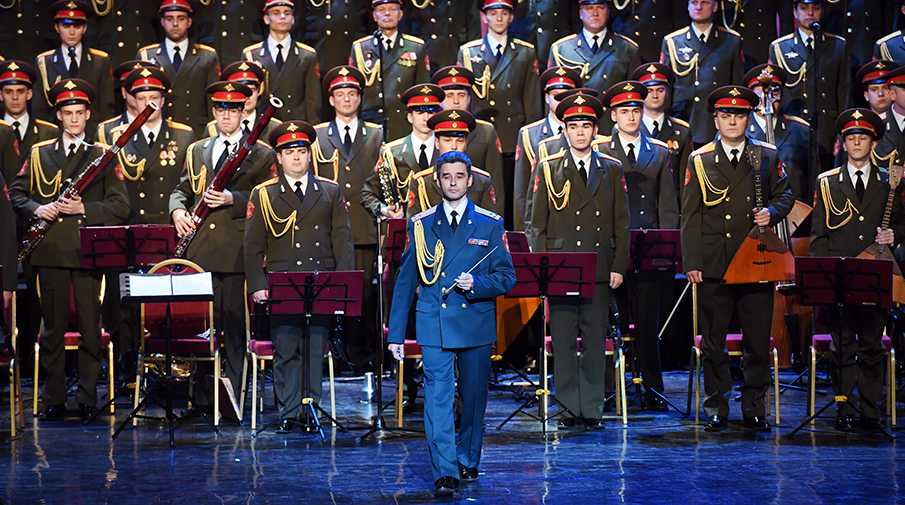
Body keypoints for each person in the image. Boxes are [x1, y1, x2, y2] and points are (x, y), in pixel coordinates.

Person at [387, 150, 515, 497]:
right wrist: (396, 334)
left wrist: (477, 285)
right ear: (437, 181)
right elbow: (405, 282)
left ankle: (467, 458)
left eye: (460, 176)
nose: (454, 182)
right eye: (447, 176)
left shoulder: (490, 223)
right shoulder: (421, 224)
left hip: (475, 321)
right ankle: (444, 471)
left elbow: (507, 277)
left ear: (470, 180)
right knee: (437, 399)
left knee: (473, 398)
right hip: (434, 322)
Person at [9, 78, 129, 420]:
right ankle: (55, 397)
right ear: (59, 116)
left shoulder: (103, 155)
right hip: (50, 253)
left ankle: (88, 396)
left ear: (88, 114)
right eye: (68, 113)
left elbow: (121, 206)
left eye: (79, 112)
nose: (74, 119)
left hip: (88, 252)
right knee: (52, 330)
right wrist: (38, 208)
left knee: (91, 330)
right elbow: (16, 193)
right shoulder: (39, 153)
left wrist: (84, 208)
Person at [680, 85, 794, 432]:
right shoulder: (700, 159)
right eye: (726, 115)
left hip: (756, 261)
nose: (732, 121)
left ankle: (754, 406)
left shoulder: (766, 155)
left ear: (748, 119)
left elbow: (786, 194)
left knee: (757, 341)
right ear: (715, 119)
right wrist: (692, 262)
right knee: (713, 342)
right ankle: (716, 406)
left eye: (740, 115)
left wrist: (772, 212)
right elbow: (690, 216)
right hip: (715, 262)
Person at [169, 81, 274, 415]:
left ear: (243, 113)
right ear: (214, 112)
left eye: (233, 109)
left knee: (235, 327)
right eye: (220, 109)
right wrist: (177, 211)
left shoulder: (261, 152)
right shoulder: (197, 149)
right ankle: (201, 399)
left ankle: (234, 399)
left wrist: (233, 199)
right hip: (200, 251)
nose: (226, 115)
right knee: (203, 328)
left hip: (236, 252)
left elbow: (268, 197)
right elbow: (182, 189)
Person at [245, 120, 354, 433]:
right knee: (286, 349)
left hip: (321, 283)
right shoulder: (263, 194)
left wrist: (343, 285)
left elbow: (342, 241)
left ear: (309, 154)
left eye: (302, 151)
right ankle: (289, 412)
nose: (296, 157)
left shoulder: (330, 190)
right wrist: (258, 285)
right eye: (289, 152)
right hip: (283, 283)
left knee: (314, 349)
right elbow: (252, 245)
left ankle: (311, 410)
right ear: (279, 157)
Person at [529, 92, 630, 428]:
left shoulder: (612, 168)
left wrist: (618, 265)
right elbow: (536, 225)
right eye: (573, 126)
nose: (580, 132)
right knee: (562, 342)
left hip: (599, 266)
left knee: (594, 342)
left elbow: (621, 222)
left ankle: (592, 408)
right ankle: (569, 408)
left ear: (595, 129)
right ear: (565, 130)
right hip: (561, 267)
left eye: (586, 126)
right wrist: (542, 270)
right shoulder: (548, 167)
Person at [809, 108, 904, 433]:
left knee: (872, 345)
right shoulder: (827, 182)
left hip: (875, 275)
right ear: (843, 144)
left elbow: (901, 223)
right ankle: (844, 407)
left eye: (863, 138)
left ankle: (869, 410)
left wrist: (894, 236)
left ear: (873, 143)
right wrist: (822, 277)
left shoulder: (889, 181)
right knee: (842, 347)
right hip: (840, 277)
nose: (857, 143)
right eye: (852, 138)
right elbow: (819, 236)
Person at [600, 80, 678, 411]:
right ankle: (608, 389)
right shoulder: (600, 150)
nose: (631, 117)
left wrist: (666, 251)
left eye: (636, 110)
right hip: (612, 250)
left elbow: (668, 206)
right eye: (624, 111)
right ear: (613, 115)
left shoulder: (659, 151)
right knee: (611, 325)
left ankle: (653, 388)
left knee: (647, 325)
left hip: (648, 250)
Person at [312, 65, 383, 370]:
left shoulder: (376, 134)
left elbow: (382, 181)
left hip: (365, 227)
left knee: (364, 294)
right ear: (331, 100)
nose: (346, 99)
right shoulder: (317, 135)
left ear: (359, 98)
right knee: (332, 292)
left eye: (352, 94)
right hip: (330, 228)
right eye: (340, 94)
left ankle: (362, 355)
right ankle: (334, 356)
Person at [457, 0, 543, 211]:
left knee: (511, 198)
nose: (498, 18)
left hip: (511, 137)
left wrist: (530, 140)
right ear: (484, 17)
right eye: (493, 13)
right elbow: (463, 99)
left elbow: (531, 101)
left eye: (504, 13)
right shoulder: (468, 52)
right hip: (480, 136)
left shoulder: (525, 52)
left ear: (511, 17)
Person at [768, 0, 851, 195]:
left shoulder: (837, 45)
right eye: (804, 8)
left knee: (827, 187)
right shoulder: (780, 47)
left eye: (815, 8)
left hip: (826, 128)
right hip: (793, 129)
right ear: (795, 12)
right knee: (795, 186)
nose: (810, 13)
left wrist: (842, 132)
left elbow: (844, 91)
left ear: (822, 11)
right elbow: (774, 93)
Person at [661, 0, 743, 146]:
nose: (698, 7)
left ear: (715, 6)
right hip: (682, 120)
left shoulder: (731, 40)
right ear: (688, 6)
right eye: (694, 2)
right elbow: (665, 89)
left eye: (704, 2)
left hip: (714, 123)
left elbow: (736, 86)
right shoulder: (673, 41)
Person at [360, 82, 445, 221]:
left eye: (430, 112)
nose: (426, 118)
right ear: (410, 117)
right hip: (406, 229)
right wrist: (385, 210)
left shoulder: (447, 149)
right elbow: (367, 194)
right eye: (420, 112)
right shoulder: (391, 153)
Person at [349, 0, 430, 140]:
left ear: (400, 14)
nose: (387, 13)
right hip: (370, 126)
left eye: (392, 9)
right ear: (374, 15)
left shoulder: (415, 47)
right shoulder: (360, 48)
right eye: (381, 10)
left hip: (402, 125)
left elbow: (422, 91)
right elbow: (354, 93)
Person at [137, 0, 220, 136]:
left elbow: (212, 101)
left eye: (181, 18)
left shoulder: (207, 56)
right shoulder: (147, 55)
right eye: (169, 19)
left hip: (196, 132)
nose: (175, 24)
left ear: (189, 22)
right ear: (162, 22)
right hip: (159, 132)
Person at [514, 66, 581, 232]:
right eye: (556, 95)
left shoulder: (583, 133)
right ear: (546, 97)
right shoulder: (529, 134)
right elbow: (522, 189)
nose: (561, 101)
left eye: (566, 96)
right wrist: (525, 232)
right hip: (543, 220)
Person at [431, 66, 506, 215]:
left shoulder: (486, 131)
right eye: (449, 95)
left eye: (461, 95)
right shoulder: (430, 129)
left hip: (476, 207)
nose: (456, 101)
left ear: (469, 98)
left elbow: (496, 181)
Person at [34, 1, 115, 136]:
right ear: (57, 27)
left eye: (77, 26)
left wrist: (102, 137)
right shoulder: (44, 62)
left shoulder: (100, 61)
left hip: (92, 136)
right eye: (66, 26)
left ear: (84, 28)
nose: (72, 32)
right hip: (57, 137)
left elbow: (106, 108)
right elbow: (39, 109)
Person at [242, 0, 322, 124]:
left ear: (293, 19)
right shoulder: (251, 55)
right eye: (276, 13)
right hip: (264, 126)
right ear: (266, 19)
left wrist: (313, 130)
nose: (283, 17)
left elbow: (313, 102)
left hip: (295, 127)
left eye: (287, 13)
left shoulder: (307, 56)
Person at [406, 109, 498, 218]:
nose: (454, 147)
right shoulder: (421, 183)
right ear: (437, 143)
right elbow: (414, 225)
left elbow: (491, 223)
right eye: (447, 140)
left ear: (466, 143)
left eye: (459, 141)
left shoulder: (482, 180)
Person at [742, 64, 812, 203]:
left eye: (774, 94)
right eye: (760, 95)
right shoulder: (741, 129)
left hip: (796, 207)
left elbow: (811, 174)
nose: (767, 100)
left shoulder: (801, 129)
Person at [548, 0, 640, 99]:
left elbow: (633, 95)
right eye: (589, 8)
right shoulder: (561, 49)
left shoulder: (627, 49)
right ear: (580, 13)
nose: (595, 13)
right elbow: (553, 97)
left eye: (601, 8)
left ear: (608, 12)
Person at [631, 63, 693, 201]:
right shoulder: (629, 129)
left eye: (660, 90)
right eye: (649, 90)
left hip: (671, 201)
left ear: (667, 93)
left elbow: (685, 178)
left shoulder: (682, 131)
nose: (655, 95)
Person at [0, 60, 58, 184]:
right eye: (8, 92)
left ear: (29, 94)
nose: (15, 97)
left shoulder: (49, 133)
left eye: (20, 91)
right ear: (1, 95)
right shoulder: (2, 131)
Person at [204, 61, 281, 145]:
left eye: (251, 91)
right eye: (241, 92)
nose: (247, 97)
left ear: (258, 92)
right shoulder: (214, 128)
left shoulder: (273, 127)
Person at [97, 60, 160, 146]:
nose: (136, 95)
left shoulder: (171, 130)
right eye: (132, 89)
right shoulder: (107, 131)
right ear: (123, 92)